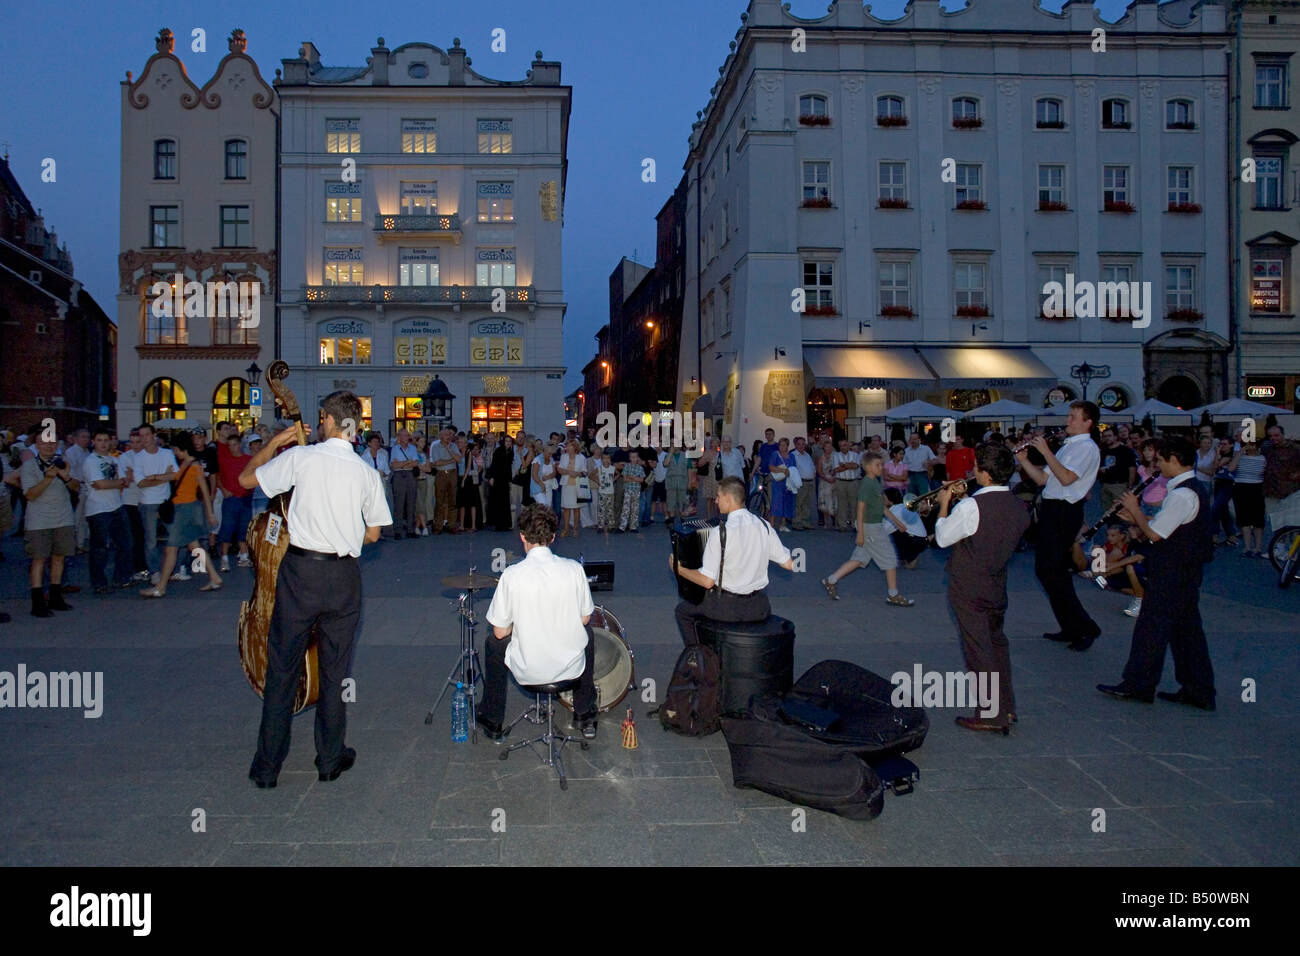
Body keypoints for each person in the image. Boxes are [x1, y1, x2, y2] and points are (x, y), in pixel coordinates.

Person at [241, 391, 392, 788]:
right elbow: (374, 534)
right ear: (355, 426)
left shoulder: (301, 458)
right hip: (342, 577)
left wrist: (275, 443)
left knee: (282, 668)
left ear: (326, 419)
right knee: (335, 671)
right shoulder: (366, 473)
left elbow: (245, 480)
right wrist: (342, 532)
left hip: (300, 573)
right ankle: (329, 759)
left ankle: (267, 766)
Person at [1099, 437, 1216, 711]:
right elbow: (1168, 525)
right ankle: (1198, 689)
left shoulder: (1182, 494)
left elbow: (1155, 534)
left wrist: (1136, 511)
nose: (1158, 465)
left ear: (1174, 459)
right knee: (1186, 632)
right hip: (1184, 571)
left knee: (1151, 628)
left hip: (1173, 572)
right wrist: (1139, 519)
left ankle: (1139, 684)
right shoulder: (1190, 489)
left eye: (1161, 460)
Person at [480, 504, 600, 741]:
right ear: (553, 537)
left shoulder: (512, 575)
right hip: (570, 668)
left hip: (528, 671)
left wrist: (522, 624)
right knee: (588, 635)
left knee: (493, 644)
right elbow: (585, 617)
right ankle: (584, 713)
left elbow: (500, 631)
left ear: (522, 536)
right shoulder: (574, 569)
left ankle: (492, 719)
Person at [933, 443, 1030, 732]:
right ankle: (1006, 707)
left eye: (976, 466)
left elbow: (942, 537)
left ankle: (991, 713)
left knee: (978, 649)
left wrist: (944, 504)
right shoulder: (1019, 505)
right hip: (997, 581)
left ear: (985, 474)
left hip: (969, 583)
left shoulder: (972, 506)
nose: (973, 470)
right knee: (997, 643)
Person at [1015, 401, 1102, 652]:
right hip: (1053, 509)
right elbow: (1044, 479)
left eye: (1074, 417)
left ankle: (1085, 626)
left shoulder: (1087, 448)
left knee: (1052, 571)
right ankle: (1071, 626)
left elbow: (1066, 478)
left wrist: (1045, 452)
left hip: (1065, 511)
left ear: (1088, 422)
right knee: (1048, 571)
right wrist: (1024, 460)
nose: (1068, 421)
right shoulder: (1069, 446)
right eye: (1069, 416)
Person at [671, 476, 794, 645]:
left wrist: (679, 569)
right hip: (759, 607)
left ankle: (698, 657)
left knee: (682, 611)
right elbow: (788, 564)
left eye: (719, 497)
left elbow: (707, 581)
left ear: (728, 499)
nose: (716, 501)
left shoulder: (720, 532)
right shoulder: (764, 526)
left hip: (726, 608)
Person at [820, 452, 914, 607]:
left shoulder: (875, 482)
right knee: (890, 559)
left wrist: (897, 522)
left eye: (881, 464)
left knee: (859, 559)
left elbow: (882, 507)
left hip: (873, 525)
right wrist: (861, 533)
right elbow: (860, 509)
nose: (881, 467)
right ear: (868, 467)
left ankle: (830, 580)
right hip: (871, 527)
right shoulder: (866, 484)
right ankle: (893, 594)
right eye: (878, 465)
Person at [138, 432, 223, 598]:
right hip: (186, 509)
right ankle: (214, 577)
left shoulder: (192, 465)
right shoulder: (189, 464)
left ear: (182, 449)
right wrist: (158, 476)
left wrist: (210, 512)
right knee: (194, 546)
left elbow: (204, 490)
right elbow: (178, 477)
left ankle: (160, 587)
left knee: (171, 548)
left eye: (176, 449)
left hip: (185, 510)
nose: (174, 453)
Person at [21, 431, 80, 617]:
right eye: (44, 443)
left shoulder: (63, 462)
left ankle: (56, 596)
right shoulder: (30, 466)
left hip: (63, 518)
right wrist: (48, 478)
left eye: (53, 442)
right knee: (39, 560)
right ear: (36, 446)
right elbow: (30, 495)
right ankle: (37, 602)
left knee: (59, 557)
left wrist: (67, 477)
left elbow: (76, 488)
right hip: (39, 521)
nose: (49, 446)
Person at [81, 427, 134, 594]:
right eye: (99, 440)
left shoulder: (114, 460)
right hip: (98, 509)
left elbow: (123, 481)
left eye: (106, 440)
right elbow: (100, 484)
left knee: (125, 544)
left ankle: (121, 577)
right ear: (93, 442)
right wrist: (118, 483)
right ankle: (99, 582)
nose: (103, 444)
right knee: (99, 548)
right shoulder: (91, 461)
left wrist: (117, 482)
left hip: (117, 505)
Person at [129, 423, 177, 583]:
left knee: (174, 535)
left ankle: (171, 567)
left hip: (165, 501)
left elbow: (174, 475)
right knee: (151, 540)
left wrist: (154, 477)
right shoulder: (138, 458)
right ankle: (154, 570)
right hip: (147, 502)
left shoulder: (167, 453)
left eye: (147, 435)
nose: (145, 439)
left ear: (154, 435)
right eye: (141, 436)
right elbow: (141, 483)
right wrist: (163, 477)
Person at [214, 430, 254, 571]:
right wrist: (224, 490)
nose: (232, 447)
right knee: (227, 527)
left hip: (245, 497)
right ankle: (224, 558)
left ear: (240, 445)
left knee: (244, 527)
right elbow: (217, 477)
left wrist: (250, 489)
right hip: (231, 498)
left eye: (234, 445)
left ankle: (243, 556)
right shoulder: (224, 460)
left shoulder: (247, 459)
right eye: (230, 445)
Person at [1230, 437, 1267, 557]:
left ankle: (1258, 548)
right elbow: (1231, 468)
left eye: (1252, 444)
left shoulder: (1263, 458)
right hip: (1241, 487)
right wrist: (1241, 451)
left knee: (1258, 519)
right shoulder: (1240, 457)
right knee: (1243, 518)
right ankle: (1247, 547)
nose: (1250, 446)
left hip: (1257, 487)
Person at [1097, 428, 1138, 516]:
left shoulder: (1125, 450)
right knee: (1107, 512)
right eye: (1105, 436)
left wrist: (1130, 485)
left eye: (1109, 436)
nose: (1107, 438)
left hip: (1120, 485)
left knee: (1121, 512)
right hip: (1105, 485)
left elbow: (1132, 468)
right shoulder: (1103, 451)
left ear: (1115, 437)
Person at [388, 429, 421, 539]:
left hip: (411, 476)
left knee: (411, 503)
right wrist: (408, 462)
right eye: (404, 435)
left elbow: (416, 463)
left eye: (408, 435)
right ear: (399, 437)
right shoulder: (395, 449)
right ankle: (397, 530)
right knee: (399, 503)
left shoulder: (413, 448)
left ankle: (410, 530)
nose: (407, 437)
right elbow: (394, 466)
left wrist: (401, 463)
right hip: (399, 476)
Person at [882, 487, 927, 568]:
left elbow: (884, 530)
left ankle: (912, 558)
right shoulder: (904, 506)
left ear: (890, 500)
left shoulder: (896, 511)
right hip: (922, 539)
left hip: (916, 540)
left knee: (893, 534)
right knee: (896, 531)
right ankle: (905, 557)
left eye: (884, 498)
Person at [428, 427, 462, 534]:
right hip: (441, 474)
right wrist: (451, 460)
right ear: (441, 436)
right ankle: (438, 525)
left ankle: (451, 525)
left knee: (452, 500)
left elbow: (459, 459)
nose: (449, 437)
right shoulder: (436, 446)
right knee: (440, 500)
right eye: (446, 435)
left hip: (452, 473)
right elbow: (437, 462)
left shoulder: (453, 446)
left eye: (450, 435)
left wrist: (450, 450)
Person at [361, 433, 394, 540]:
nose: (376, 444)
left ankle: (379, 531)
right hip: (369, 486)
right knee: (369, 508)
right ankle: (368, 531)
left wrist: (383, 474)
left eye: (378, 442)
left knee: (379, 508)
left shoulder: (383, 456)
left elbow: (387, 471)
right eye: (374, 442)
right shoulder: (364, 457)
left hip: (380, 484)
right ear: (369, 443)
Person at [1210, 437, 1239, 547]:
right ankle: (1231, 535)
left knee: (1215, 508)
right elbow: (1213, 467)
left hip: (1228, 483)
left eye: (1225, 444)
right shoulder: (1220, 455)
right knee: (1223, 509)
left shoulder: (1230, 455)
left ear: (1231, 445)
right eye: (1221, 443)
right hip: (1219, 481)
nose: (1222, 446)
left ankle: (1214, 535)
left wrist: (1217, 452)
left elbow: (1216, 465)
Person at [556, 438, 587, 537]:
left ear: (575, 446)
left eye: (569, 445)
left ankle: (575, 529)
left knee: (576, 508)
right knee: (566, 508)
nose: (567, 447)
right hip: (566, 485)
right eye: (567, 445)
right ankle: (565, 529)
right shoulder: (564, 456)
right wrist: (569, 472)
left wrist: (577, 474)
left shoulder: (581, 457)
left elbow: (585, 472)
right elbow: (559, 469)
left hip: (577, 485)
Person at [830, 437, 861, 531]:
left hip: (853, 481)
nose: (842, 447)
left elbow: (856, 466)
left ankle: (854, 524)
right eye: (840, 446)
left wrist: (843, 465)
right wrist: (849, 465)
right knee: (841, 504)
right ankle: (842, 525)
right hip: (840, 481)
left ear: (848, 445)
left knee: (854, 504)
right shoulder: (835, 455)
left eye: (844, 445)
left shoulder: (855, 455)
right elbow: (835, 470)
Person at [487, 434, 515, 532]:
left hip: (505, 480)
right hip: (498, 479)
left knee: (505, 501)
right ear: (503, 442)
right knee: (498, 502)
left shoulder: (510, 452)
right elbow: (494, 465)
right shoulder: (499, 451)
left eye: (510, 441)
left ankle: (505, 524)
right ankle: (499, 524)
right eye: (506, 441)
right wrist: (492, 477)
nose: (508, 443)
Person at [767, 438, 795, 532]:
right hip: (777, 482)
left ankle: (783, 525)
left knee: (785, 502)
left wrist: (790, 474)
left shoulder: (791, 456)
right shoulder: (775, 454)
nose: (781, 447)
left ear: (787, 446)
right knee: (776, 502)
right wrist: (782, 470)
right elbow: (771, 467)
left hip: (788, 482)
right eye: (780, 445)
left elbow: (793, 468)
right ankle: (771, 524)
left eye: (784, 445)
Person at [457, 436, 483, 533]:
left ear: (465, 444)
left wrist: (463, 479)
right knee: (462, 503)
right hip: (461, 477)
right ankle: (462, 525)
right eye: (458, 442)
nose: (459, 444)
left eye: (461, 442)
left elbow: (468, 467)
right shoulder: (459, 453)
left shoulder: (469, 453)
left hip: (469, 478)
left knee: (472, 502)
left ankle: (473, 525)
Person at [790, 436, 816, 530]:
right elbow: (792, 470)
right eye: (799, 444)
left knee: (807, 504)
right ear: (795, 445)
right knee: (798, 504)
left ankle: (805, 521)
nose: (801, 446)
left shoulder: (807, 455)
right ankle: (797, 522)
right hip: (800, 482)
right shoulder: (793, 455)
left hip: (809, 482)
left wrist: (813, 473)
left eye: (803, 444)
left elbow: (812, 466)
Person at [903, 433, 935, 499]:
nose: (913, 441)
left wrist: (928, 462)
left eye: (915, 439)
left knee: (924, 496)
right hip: (910, 475)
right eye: (911, 439)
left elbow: (934, 460)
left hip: (922, 474)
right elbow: (903, 465)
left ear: (919, 440)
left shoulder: (926, 448)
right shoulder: (906, 451)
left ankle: (923, 508)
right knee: (911, 497)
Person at [816, 435, 837, 528]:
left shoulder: (836, 457)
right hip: (824, 481)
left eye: (830, 447)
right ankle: (826, 522)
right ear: (823, 448)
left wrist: (834, 477)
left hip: (834, 481)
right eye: (826, 447)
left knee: (835, 501)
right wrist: (826, 478)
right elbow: (819, 471)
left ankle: (836, 522)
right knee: (824, 502)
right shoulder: (821, 458)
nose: (828, 448)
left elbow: (838, 469)